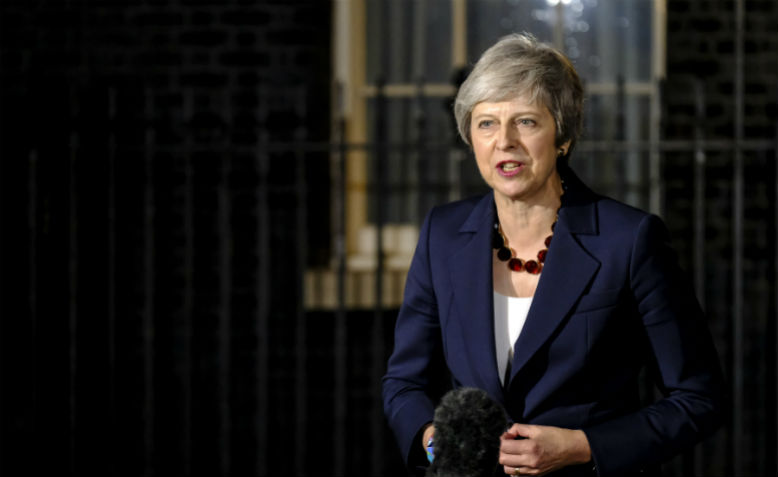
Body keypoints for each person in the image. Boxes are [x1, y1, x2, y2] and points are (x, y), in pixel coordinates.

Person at [382, 33, 724, 477]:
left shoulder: (630, 240)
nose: (504, 141)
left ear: (562, 136)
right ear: (470, 136)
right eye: (486, 123)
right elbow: (404, 383)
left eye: (525, 122)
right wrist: (435, 444)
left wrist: (583, 446)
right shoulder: (442, 235)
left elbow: (698, 399)